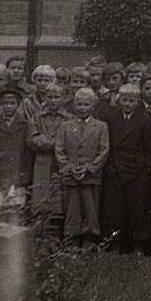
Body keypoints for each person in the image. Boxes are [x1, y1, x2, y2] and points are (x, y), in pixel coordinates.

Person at [99, 83, 151, 254]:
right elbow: (108, 144)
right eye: (124, 99)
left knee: (138, 209)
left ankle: (138, 245)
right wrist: (111, 166)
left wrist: (143, 168)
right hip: (115, 168)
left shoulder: (145, 119)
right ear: (118, 100)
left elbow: (148, 147)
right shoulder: (111, 117)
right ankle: (115, 244)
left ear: (138, 101)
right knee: (114, 209)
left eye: (132, 100)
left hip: (137, 169)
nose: (127, 103)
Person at [56, 87, 109, 245]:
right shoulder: (65, 126)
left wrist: (89, 168)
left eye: (86, 104)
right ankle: (72, 245)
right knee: (72, 211)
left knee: (90, 211)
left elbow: (104, 151)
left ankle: (87, 244)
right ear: (73, 105)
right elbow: (59, 150)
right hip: (71, 177)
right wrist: (68, 167)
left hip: (91, 177)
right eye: (79, 104)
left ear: (93, 106)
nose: (82, 108)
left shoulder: (100, 127)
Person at [28, 83, 71, 233]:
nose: (53, 101)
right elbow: (32, 141)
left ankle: (58, 238)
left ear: (64, 98)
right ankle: (41, 238)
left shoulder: (69, 118)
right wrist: (56, 141)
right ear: (45, 98)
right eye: (50, 97)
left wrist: (46, 140)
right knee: (41, 200)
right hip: (42, 163)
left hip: (62, 163)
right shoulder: (37, 117)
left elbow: (71, 140)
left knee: (60, 202)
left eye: (57, 97)